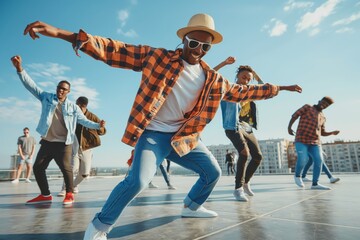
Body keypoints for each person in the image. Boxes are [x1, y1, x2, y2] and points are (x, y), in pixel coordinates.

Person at [23, 13, 302, 240]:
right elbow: (115, 50)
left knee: (213, 172)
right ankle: (99, 226)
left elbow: (243, 92)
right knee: (138, 181)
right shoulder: (157, 58)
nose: (199, 51)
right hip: (154, 135)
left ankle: (192, 206)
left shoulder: (213, 79)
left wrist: (282, 88)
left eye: (206, 47)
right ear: (184, 40)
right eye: (195, 44)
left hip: (183, 138)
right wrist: (62, 34)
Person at [11, 55, 105, 205]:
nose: (61, 90)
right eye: (59, 88)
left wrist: (98, 125)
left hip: (63, 143)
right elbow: (31, 86)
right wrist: (20, 69)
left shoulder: (73, 107)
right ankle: (45, 194)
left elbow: (84, 120)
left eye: (64, 89)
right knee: (38, 168)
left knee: (67, 168)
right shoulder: (47, 98)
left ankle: (69, 194)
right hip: (48, 141)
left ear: (68, 92)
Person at [214, 56, 301, 202]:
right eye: (244, 77)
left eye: (249, 78)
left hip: (247, 127)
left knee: (257, 156)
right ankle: (238, 189)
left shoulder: (250, 91)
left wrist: (287, 87)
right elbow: (211, 75)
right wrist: (224, 63)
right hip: (233, 126)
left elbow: (265, 87)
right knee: (244, 154)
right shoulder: (228, 88)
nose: (247, 80)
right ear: (237, 76)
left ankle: (246, 182)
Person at [288, 96, 340, 190]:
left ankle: (315, 184)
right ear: (319, 101)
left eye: (326, 105)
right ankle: (297, 176)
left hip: (315, 142)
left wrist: (332, 133)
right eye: (323, 102)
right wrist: (289, 127)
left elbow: (322, 132)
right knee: (303, 158)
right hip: (301, 139)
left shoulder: (323, 117)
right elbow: (295, 115)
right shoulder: (307, 107)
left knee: (319, 161)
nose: (324, 105)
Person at [58, 96, 106, 196]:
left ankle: (73, 185)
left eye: (77, 104)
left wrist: (101, 127)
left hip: (87, 148)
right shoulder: (72, 115)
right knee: (72, 168)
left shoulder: (92, 117)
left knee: (84, 173)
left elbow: (103, 132)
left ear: (81, 105)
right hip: (73, 147)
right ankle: (65, 189)